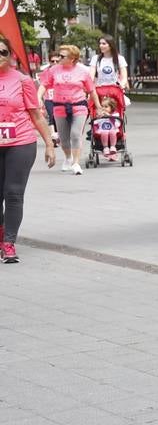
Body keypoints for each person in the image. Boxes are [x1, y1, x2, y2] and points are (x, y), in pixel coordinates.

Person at [0, 40, 57, 262]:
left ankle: (9, 242)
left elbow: (36, 115)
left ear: (10, 55)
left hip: (20, 143)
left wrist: (50, 144)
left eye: (2, 51)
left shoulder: (23, 80)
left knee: (13, 193)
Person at [39, 45, 99, 175]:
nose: (59, 58)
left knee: (75, 134)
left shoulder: (82, 72)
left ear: (72, 58)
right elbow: (44, 85)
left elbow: (91, 90)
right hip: (59, 106)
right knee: (64, 137)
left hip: (79, 105)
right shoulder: (54, 70)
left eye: (62, 56)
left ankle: (76, 163)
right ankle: (68, 157)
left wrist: (98, 106)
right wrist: (38, 98)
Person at [89, 35, 129, 120]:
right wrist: (89, 86)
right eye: (100, 43)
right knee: (96, 112)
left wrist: (122, 84)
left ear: (110, 45)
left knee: (115, 113)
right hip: (99, 91)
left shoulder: (119, 59)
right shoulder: (95, 59)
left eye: (104, 44)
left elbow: (124, 76)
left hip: (114, 90)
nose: (101, 46)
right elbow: (91, 76)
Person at [37, 51, 61, 128]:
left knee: (60, 118)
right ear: (49, 62)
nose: (55, 63)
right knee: (52, 115)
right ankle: (53, 135)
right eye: (52, 61)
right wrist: (39, 97)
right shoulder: (46, 72)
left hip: (61, 99)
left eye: (57, 61)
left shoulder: (64, 71)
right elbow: (43, 85)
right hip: (49, 98)